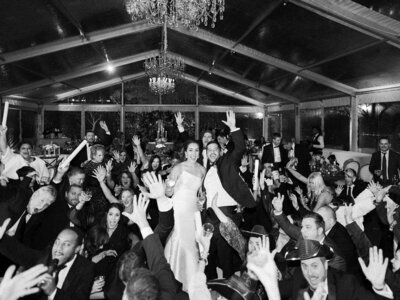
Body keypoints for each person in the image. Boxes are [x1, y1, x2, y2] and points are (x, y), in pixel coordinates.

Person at [203, 110, 257, 279]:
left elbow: (240, 147)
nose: (212, 152)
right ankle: (211, 280)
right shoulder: (205, 169)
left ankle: (227, 281)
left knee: (224, 249)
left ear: (220, 152)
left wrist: (234, 128)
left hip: (226, 212)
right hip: (209, 213)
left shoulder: (227, 162)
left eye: (215, 149)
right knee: (207, 248)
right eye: (209, 150)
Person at [0, 226, 95, 300]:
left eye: (66, 244)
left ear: (77, 249)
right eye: (57, 242)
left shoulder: (87, 268)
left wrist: (53, 292)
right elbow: (19, 251)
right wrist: (1, 238)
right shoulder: (44, 257)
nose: (58, 248)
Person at [285, 239, 393, 300]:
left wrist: (379, 287)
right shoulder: (299, 278)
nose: (309, 273)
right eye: (304, 266)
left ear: (326, 265)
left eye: (314, 266)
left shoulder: (346, 283)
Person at [163, 140, 206, 291]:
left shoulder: (202, 170)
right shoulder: (178, 168)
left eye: (196, 150)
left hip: (193, 208)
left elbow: (200, 193)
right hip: (180, 207)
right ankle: (176, 276)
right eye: (191, 150)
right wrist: (168, 187)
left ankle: (191, 277)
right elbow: (168, 192)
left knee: (194, 241)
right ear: (186, 153)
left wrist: (202, 202)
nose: (194, 154)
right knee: (182, 238)